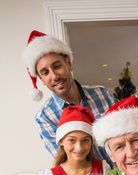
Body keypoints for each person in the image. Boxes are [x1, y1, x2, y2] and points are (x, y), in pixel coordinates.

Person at [22, 30, 116, 167]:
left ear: (68, 63)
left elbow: (125, 135)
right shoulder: (45, 118)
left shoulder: (101, 94)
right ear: (41, 79)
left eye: (57, 66)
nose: (54, 76)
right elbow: (70, 165)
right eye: (45, 72)